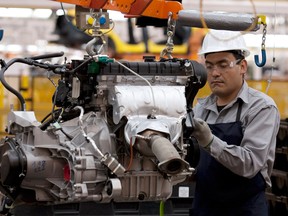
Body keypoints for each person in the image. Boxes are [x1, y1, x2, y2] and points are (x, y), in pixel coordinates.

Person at [190, 30, 280, 216]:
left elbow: (250, 164)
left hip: (245, 209)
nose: (214, 73)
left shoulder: (261, 108)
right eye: (209, 66)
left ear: (243, 66)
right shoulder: (201, 108)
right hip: (205, 207)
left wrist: (209, 142)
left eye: (223, 65)